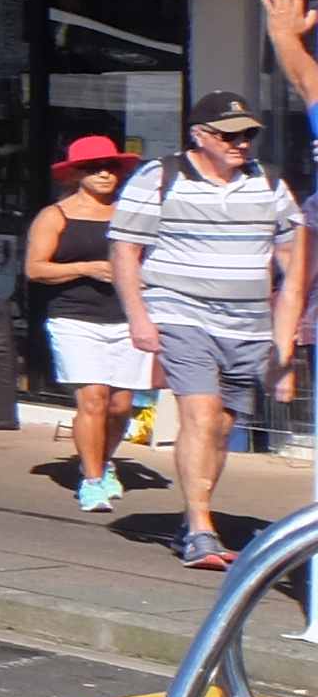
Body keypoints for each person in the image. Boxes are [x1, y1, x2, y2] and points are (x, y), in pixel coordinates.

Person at [110, 92, 306, 573]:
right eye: (229, 135)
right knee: (199, 415)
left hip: (249, 324)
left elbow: (293, 262)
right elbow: (125, 250)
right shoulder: (160, 177)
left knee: (220, 427)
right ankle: (201, 529)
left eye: (248, 134)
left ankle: (193, 515)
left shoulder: (269, 183)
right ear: (199, 135)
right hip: (182, 314)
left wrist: (287, 339)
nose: (241, 143)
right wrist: (138, 316)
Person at [24, 132, 149, 517]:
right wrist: (87, 268)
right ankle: (92, 480)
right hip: (74, 317)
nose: (104, 174)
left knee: (121, 405)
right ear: (76, 173)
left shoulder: (131, 214)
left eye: (111, 167)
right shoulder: (55, 215)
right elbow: (35, 269)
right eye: (94, 168)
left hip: (127, 317)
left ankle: (103, 461)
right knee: (92, 398)